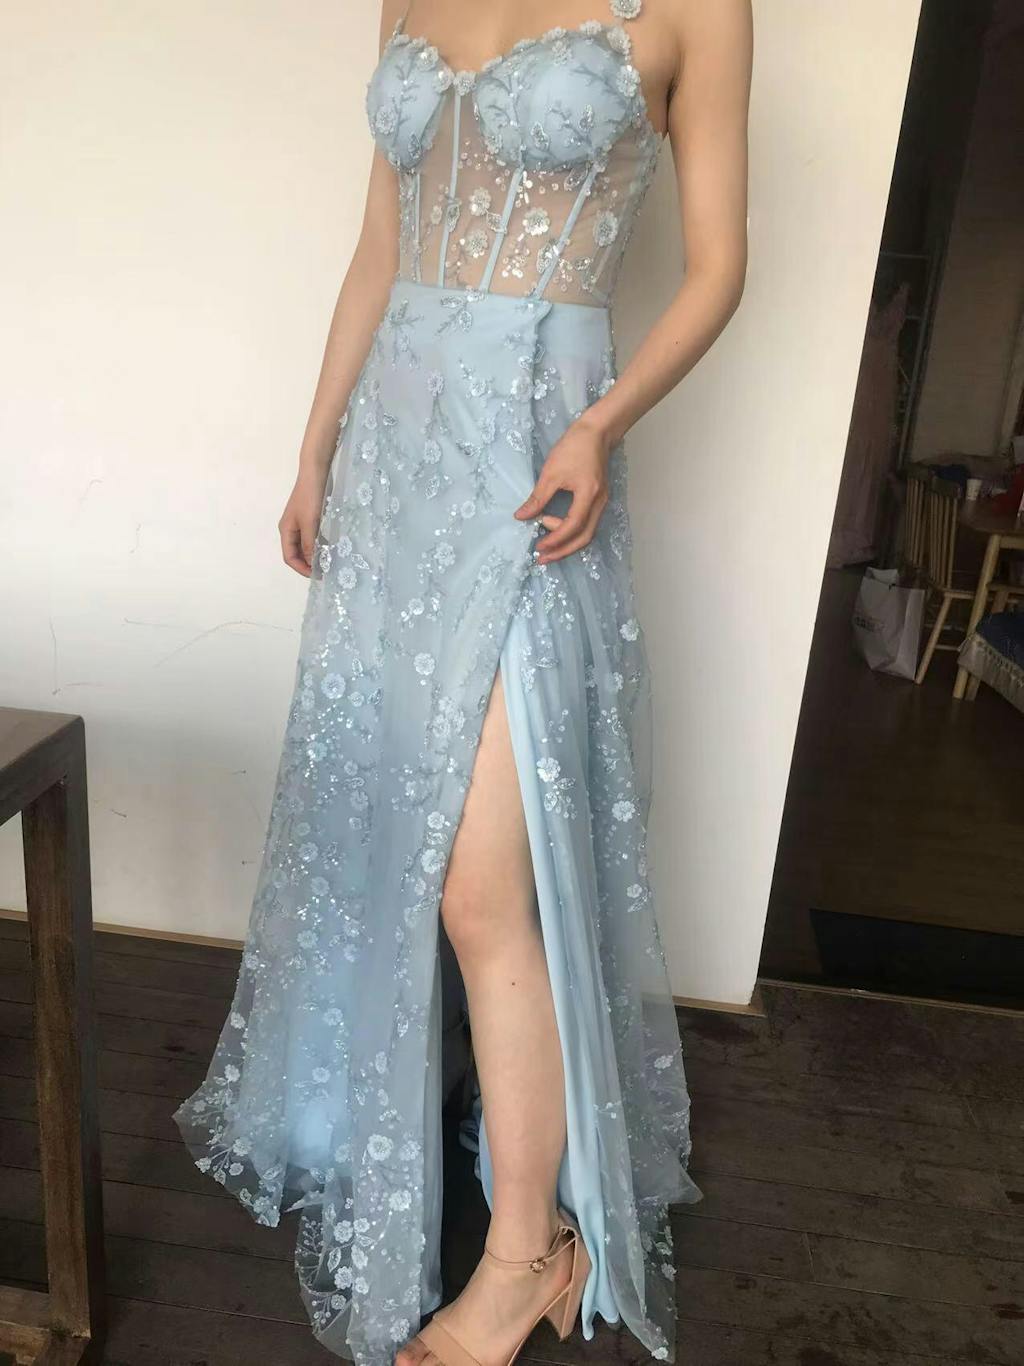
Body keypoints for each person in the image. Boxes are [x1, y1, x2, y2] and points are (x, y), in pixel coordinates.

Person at [174, 3, 751, 1364]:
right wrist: (315, 447)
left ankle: (528, 1253)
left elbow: (721, 266)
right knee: (384, 819)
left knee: (483, 880)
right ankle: (401, 1128)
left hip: (534, 455)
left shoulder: (696, 9)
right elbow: (383, 244)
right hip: (396, 452)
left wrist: (602, 424)